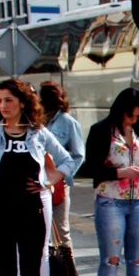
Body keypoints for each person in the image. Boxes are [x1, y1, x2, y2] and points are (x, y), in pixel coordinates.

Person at [0, 78, 75, 276]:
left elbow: (67, 161)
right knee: (6, 275)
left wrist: (48, 182)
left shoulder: (38, 133)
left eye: (9, 100)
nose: (3, 105)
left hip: (31, 212)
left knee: (32, 275)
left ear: (22, 103)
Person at [85, 88, 139, 276]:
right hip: (110, 201)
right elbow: (90, 167)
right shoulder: (102, 130)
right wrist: (120, 173)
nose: (133, 119)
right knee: (111, 260)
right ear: (120, 109)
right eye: (129, 114)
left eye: (138, 116)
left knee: (137, 259)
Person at [38, 81, 85, 253]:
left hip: (57, 184)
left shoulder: (67, 122)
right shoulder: (37, 120)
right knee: (41, 232)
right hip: (38, 182)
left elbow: (78, 154)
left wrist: (63, 175)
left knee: (60, 231)